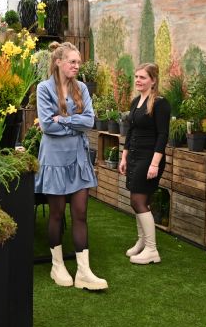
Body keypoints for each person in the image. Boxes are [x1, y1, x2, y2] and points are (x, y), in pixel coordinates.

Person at [36, 42, 108, 290]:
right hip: (54, 160)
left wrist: (64, 120)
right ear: (58, 62)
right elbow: (47, 126)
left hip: (78, 159)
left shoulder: (82, 88)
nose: (77, 66)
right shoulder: (44, 88)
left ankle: (84, 272)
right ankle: (57, 266)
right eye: (72, 62)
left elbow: (89, 121)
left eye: (79, 62)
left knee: (80, 214)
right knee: (56, 214)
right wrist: (72, 125)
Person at [118, 63, 171, 264]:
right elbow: (131, 131)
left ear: (153, 80)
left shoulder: (160, 103)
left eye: (143, 77)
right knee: (141, 201)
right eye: (136, 77)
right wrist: (124, 157)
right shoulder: (136, 101)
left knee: (137, 201)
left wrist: (155, 164)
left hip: (149, 159)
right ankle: (142, 242)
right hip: (134, 157)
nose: (138, 80)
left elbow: (163, 135)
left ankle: (151, 249)